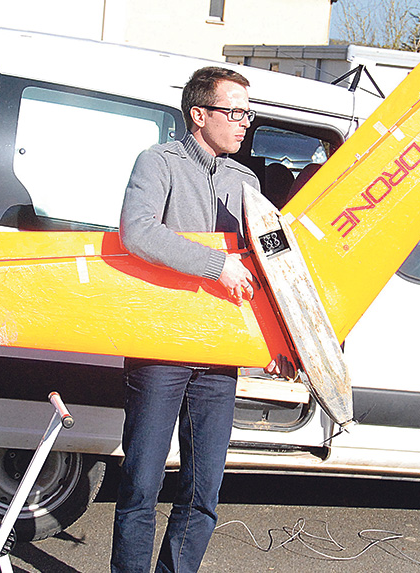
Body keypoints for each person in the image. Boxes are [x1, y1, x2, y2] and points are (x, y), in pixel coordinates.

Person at [112, 66, 293, 573]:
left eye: (247, 113)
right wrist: (216, 264)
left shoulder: (246, 181)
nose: (244, 123)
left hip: (219, 355)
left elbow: (265, 260)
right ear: (199, 114)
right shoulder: (158, 163)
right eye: (234, 112)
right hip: (162, 348)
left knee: (202, 492)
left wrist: (281, 340)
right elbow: (138, 232)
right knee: (141, 484)